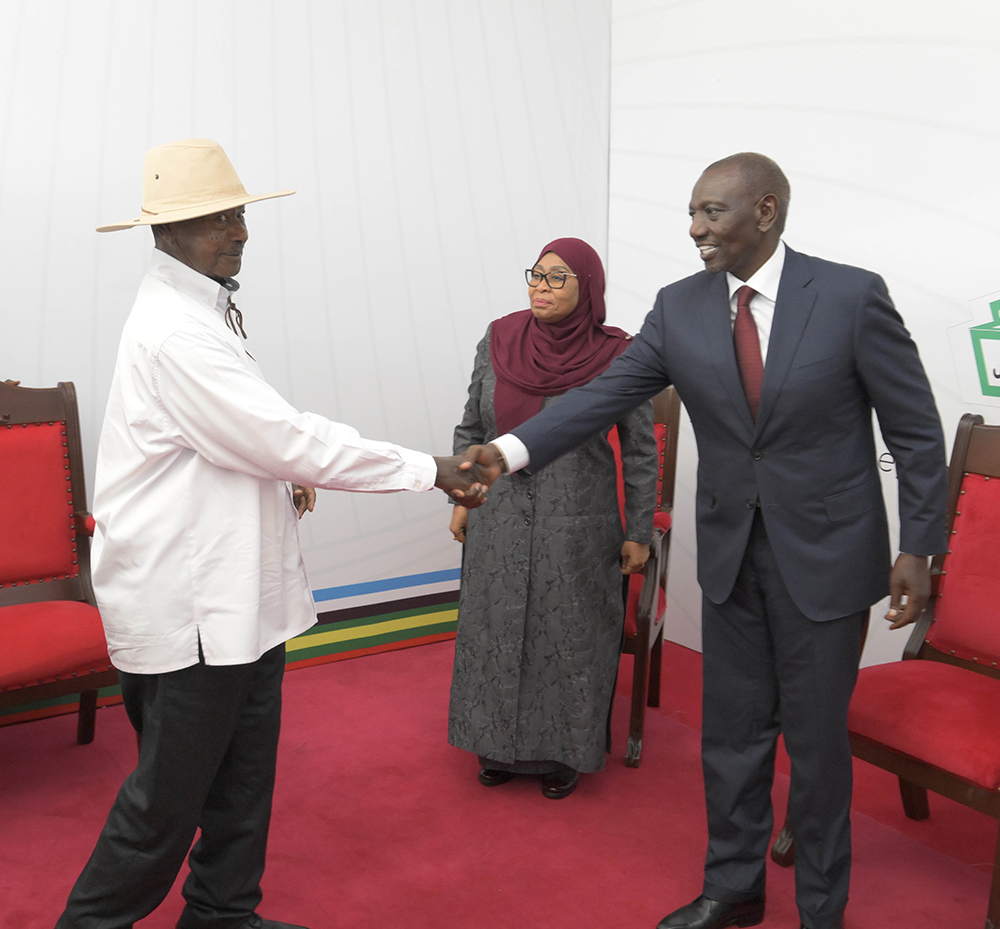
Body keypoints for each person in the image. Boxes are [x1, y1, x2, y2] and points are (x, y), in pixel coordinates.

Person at [462, 154, 948, 929]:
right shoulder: (679, 306)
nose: (694, 229)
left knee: (816, 748)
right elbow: (603, 395)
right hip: (729, 554)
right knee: (731, 734)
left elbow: (916, 432)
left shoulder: (851, 296)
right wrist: (509, 449)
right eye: (691, 213)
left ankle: (822, 908)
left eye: (711, 212)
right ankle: (733, 887)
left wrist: (920, 547)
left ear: (766, 210)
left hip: (827, 556)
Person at [55, 138, 487, 929]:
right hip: (193, 608)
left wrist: (279, 470)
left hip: (238, 596)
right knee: (165, 805)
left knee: (243, 779)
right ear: (167, 231)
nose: (240, 231)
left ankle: (222, 913)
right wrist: (431, 468)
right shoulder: (176, 331)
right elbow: (282, 435)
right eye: (217, 218)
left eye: (240, 213)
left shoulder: (202, 306)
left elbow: (238, 437)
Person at [448, 238, 658, 800]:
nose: (540, 286)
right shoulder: (499, 338)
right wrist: (461, 497)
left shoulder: (619, 354)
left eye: (558, 277)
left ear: (587, 287)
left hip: (578, 522)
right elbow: (472, 426)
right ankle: (493, 745)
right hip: (498, 515)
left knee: (569, 633)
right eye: (536, 275)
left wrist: (639, 531)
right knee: (493, 629)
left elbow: (641, 449)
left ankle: (564, 752)